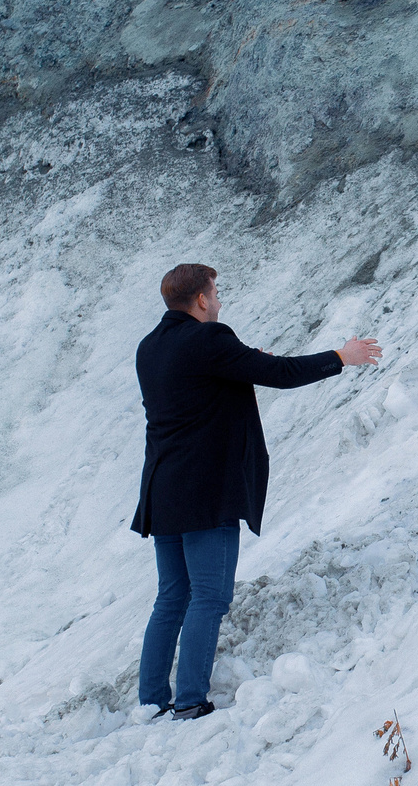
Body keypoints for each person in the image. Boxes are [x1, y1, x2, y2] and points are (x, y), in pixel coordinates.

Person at [131, 263, 380, 719]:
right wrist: (342, 357)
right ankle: (190, 702)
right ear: (201, 299)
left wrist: (240, 367)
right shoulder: (209, 338)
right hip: (205, 493)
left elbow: (194, 395)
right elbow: (280, 373)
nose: (219, 301)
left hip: (162, 489)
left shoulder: (149, 347)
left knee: (171, 598)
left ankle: (150, 703)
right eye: (215, 293)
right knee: (209, 596)